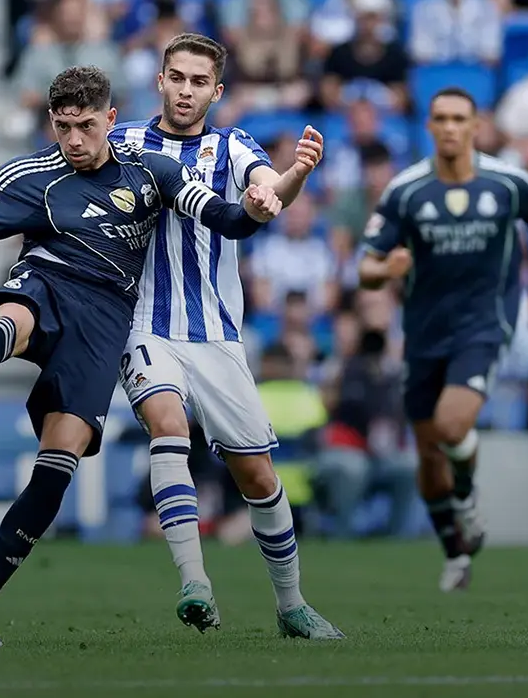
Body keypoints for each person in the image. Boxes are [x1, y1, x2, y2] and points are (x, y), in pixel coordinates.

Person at [0, 66, 282, 647]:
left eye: (87, 126)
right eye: (64, 126)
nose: (74, 140)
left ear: (111, 120)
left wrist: (254, 206)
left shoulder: (152, 172)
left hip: (104, 323)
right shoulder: (32, 176)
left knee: (58, 464)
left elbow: (223, 220)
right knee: (4, 325)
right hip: (45, 283)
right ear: (52, 121)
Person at [108, 33, 342, 639]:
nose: (186, 91)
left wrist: (287, 179)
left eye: (198, 82)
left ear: (218, 90)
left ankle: (292, 606)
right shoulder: (121, 143)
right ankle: (196, 582)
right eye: (177, 78)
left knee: (259, 477)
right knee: (167, 425)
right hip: (145, 325)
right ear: (160, 79)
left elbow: (264, 190)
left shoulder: (232, 144)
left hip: (216, 334)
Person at [357, 87, 528, 592]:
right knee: (429, 456)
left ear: (476, 126)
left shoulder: (507, 182)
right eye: (441, 119)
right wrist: (386, 267)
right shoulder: (406, 191)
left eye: (460, 119)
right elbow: (365, 267)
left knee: (453, 426)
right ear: (429, 127)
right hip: (423, 333)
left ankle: (468, 499)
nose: (450, 127)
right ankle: (455, 550)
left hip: (485, 324)